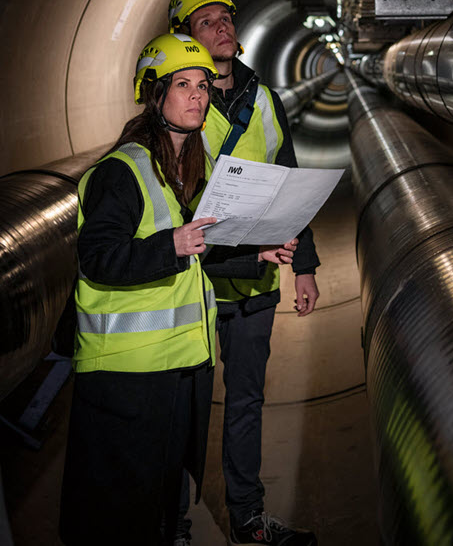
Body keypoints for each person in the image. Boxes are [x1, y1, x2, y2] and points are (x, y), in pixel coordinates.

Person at [59, 32, 297, 546]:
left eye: (204, 85)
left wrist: (254, 254)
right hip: (127, 373)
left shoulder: (191, 167)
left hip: (181, 365)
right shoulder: (122, 172)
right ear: (154, 94)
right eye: (183, 84)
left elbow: (196, 255)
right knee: (121, 510)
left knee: (164, 498)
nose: (199, 96)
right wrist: (171, 244)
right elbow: (97, 258)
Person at [168, 0, 320, 546]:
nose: (221, 28)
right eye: (205, 22)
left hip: (255, 282)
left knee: (247, 404)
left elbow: (288, 178)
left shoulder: (263, 98)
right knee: (185, 411)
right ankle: (175, 524)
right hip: (196, 285)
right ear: (185, 37)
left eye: (225, 18)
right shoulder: (181, 101)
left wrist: (303, 263)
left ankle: (247, 519)